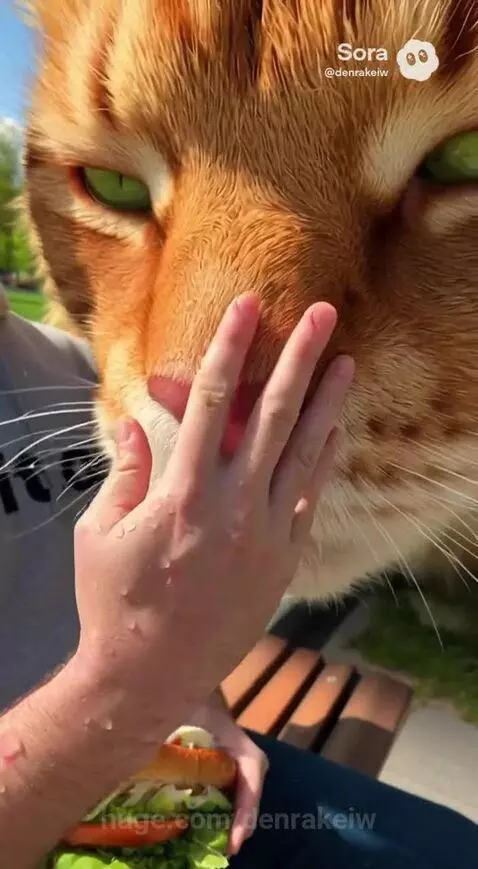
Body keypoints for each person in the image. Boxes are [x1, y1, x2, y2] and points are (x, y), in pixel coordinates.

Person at [0, 288, 476, 869]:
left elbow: (161, 590)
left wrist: (201, 705)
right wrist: (131, 690)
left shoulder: (79, 367)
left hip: (163, 753)